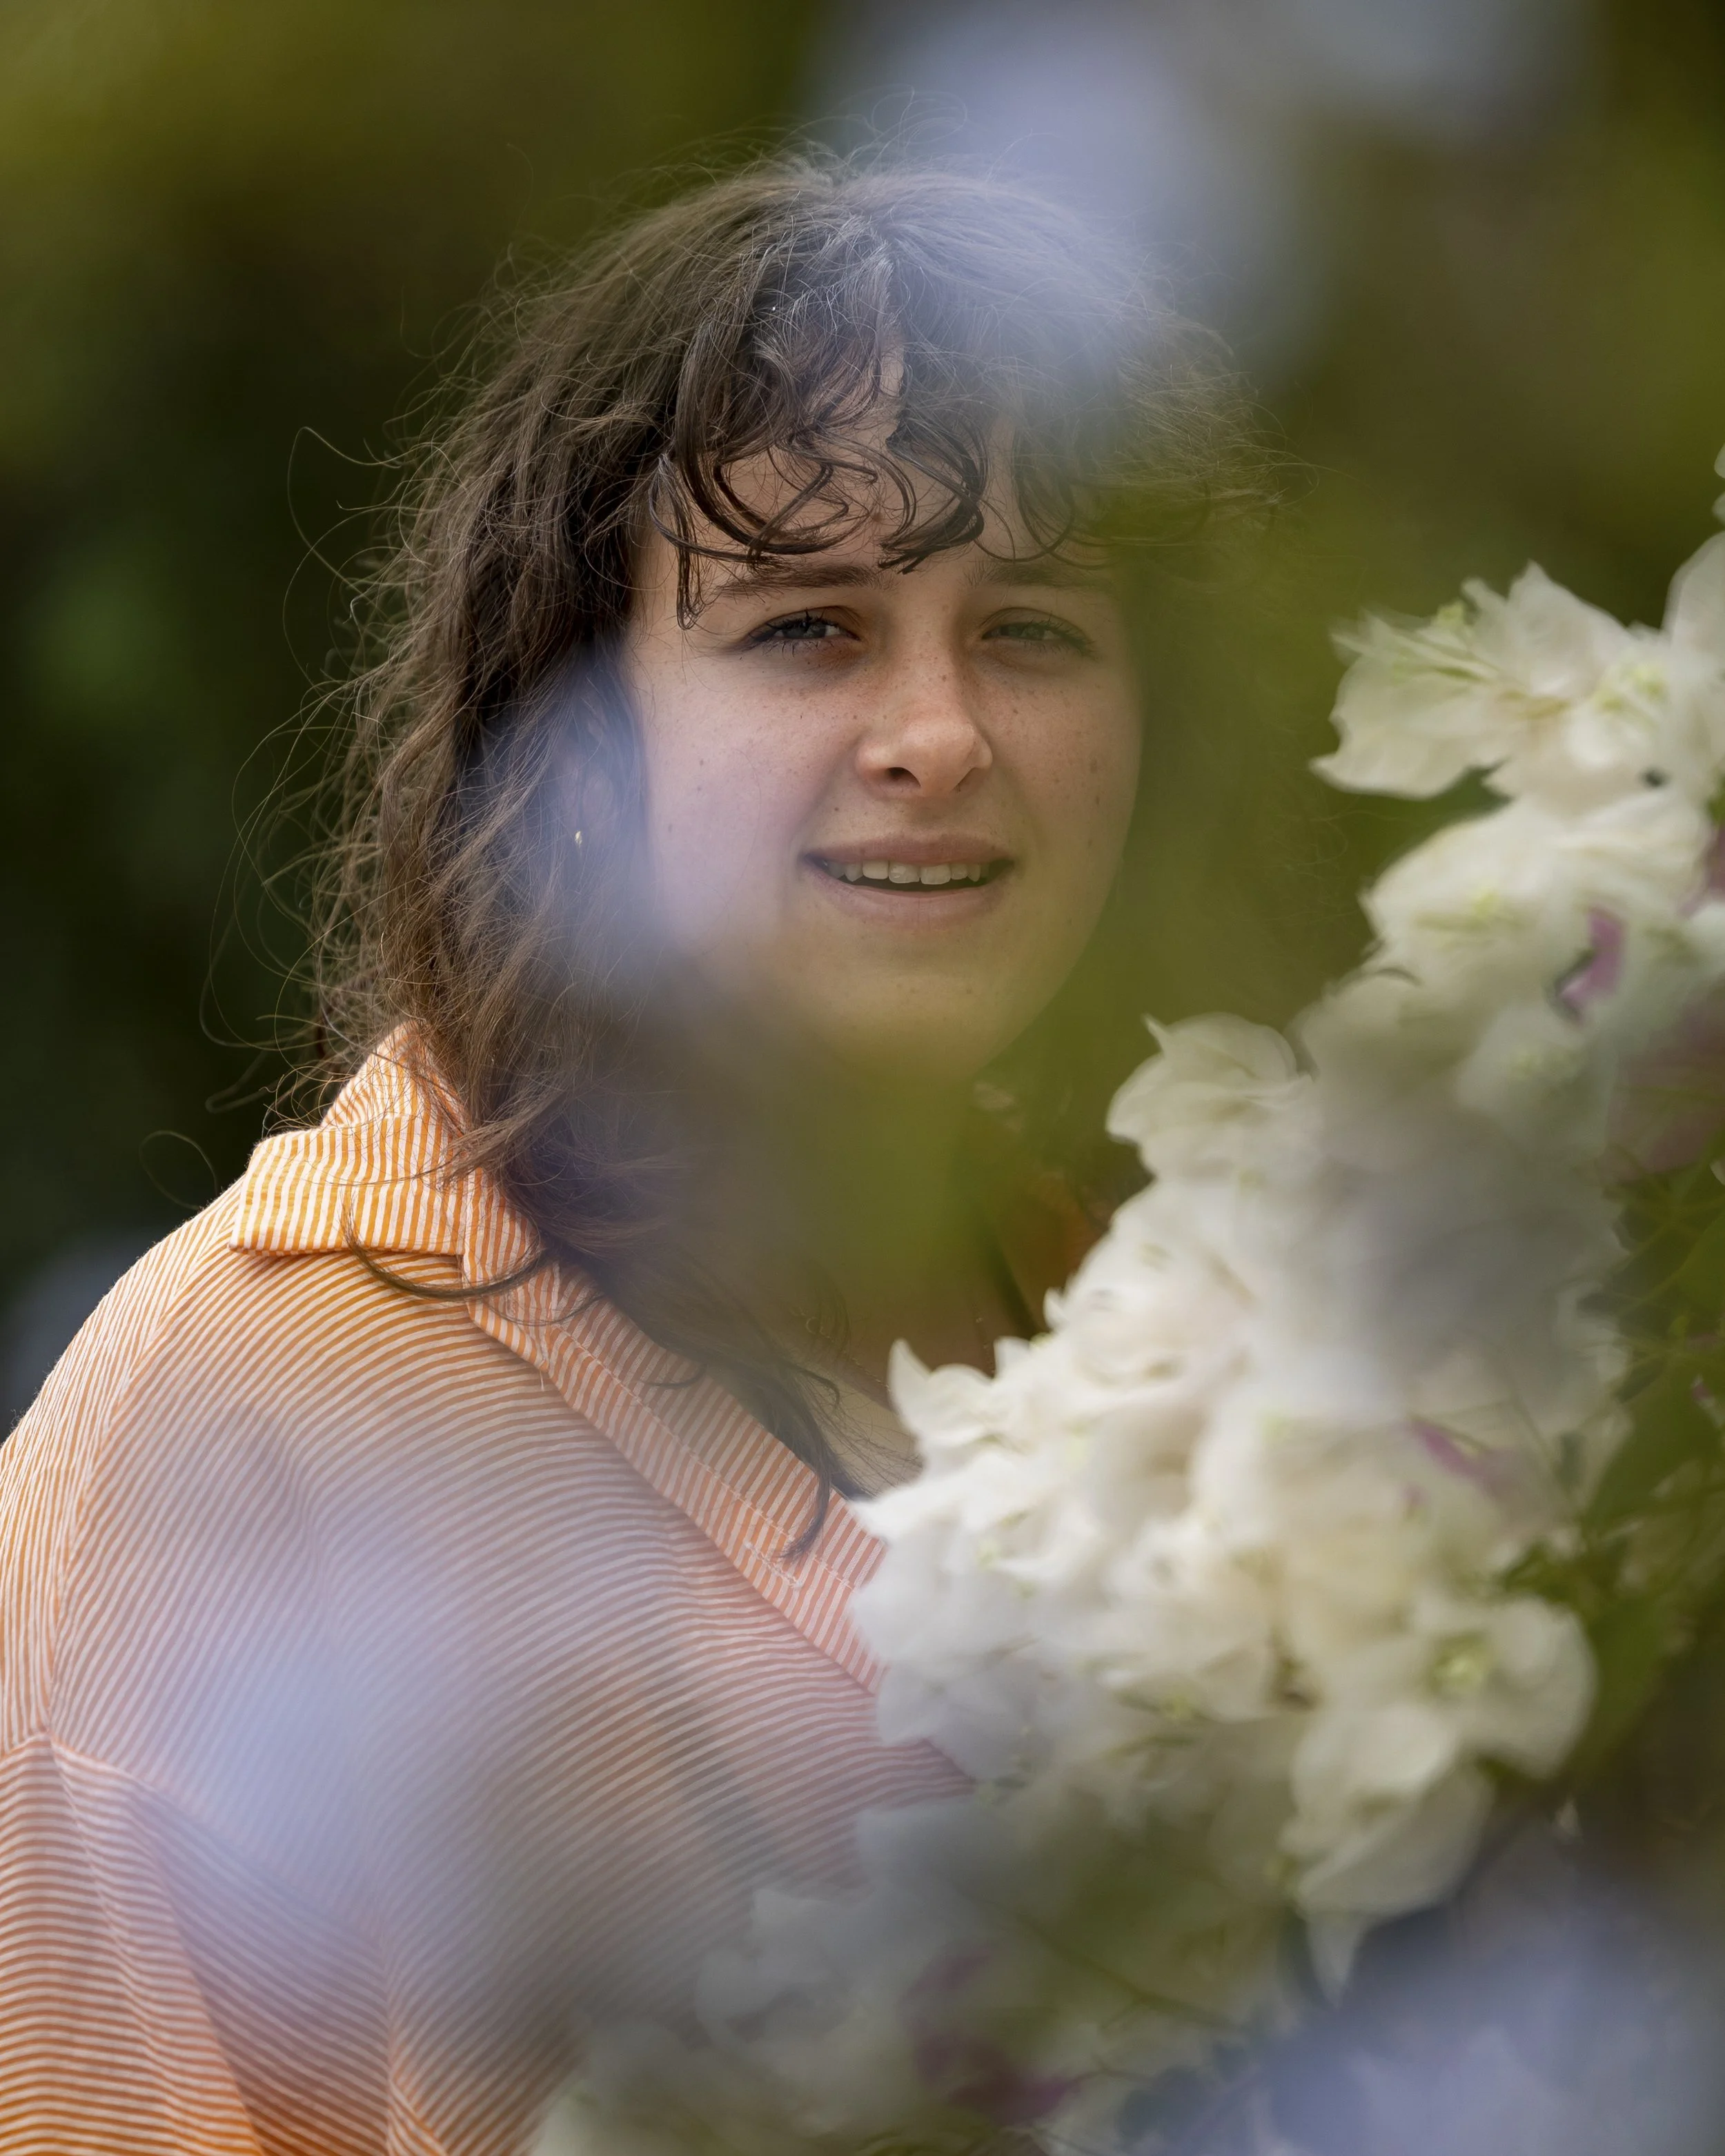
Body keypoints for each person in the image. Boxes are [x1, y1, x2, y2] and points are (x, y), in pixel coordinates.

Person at [0, 155, 1252, 2153]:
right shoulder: (244, 1406)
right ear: (569, 742)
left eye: (1029, 629)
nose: (938, 732)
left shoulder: (1203, 1319)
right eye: (808, 628)